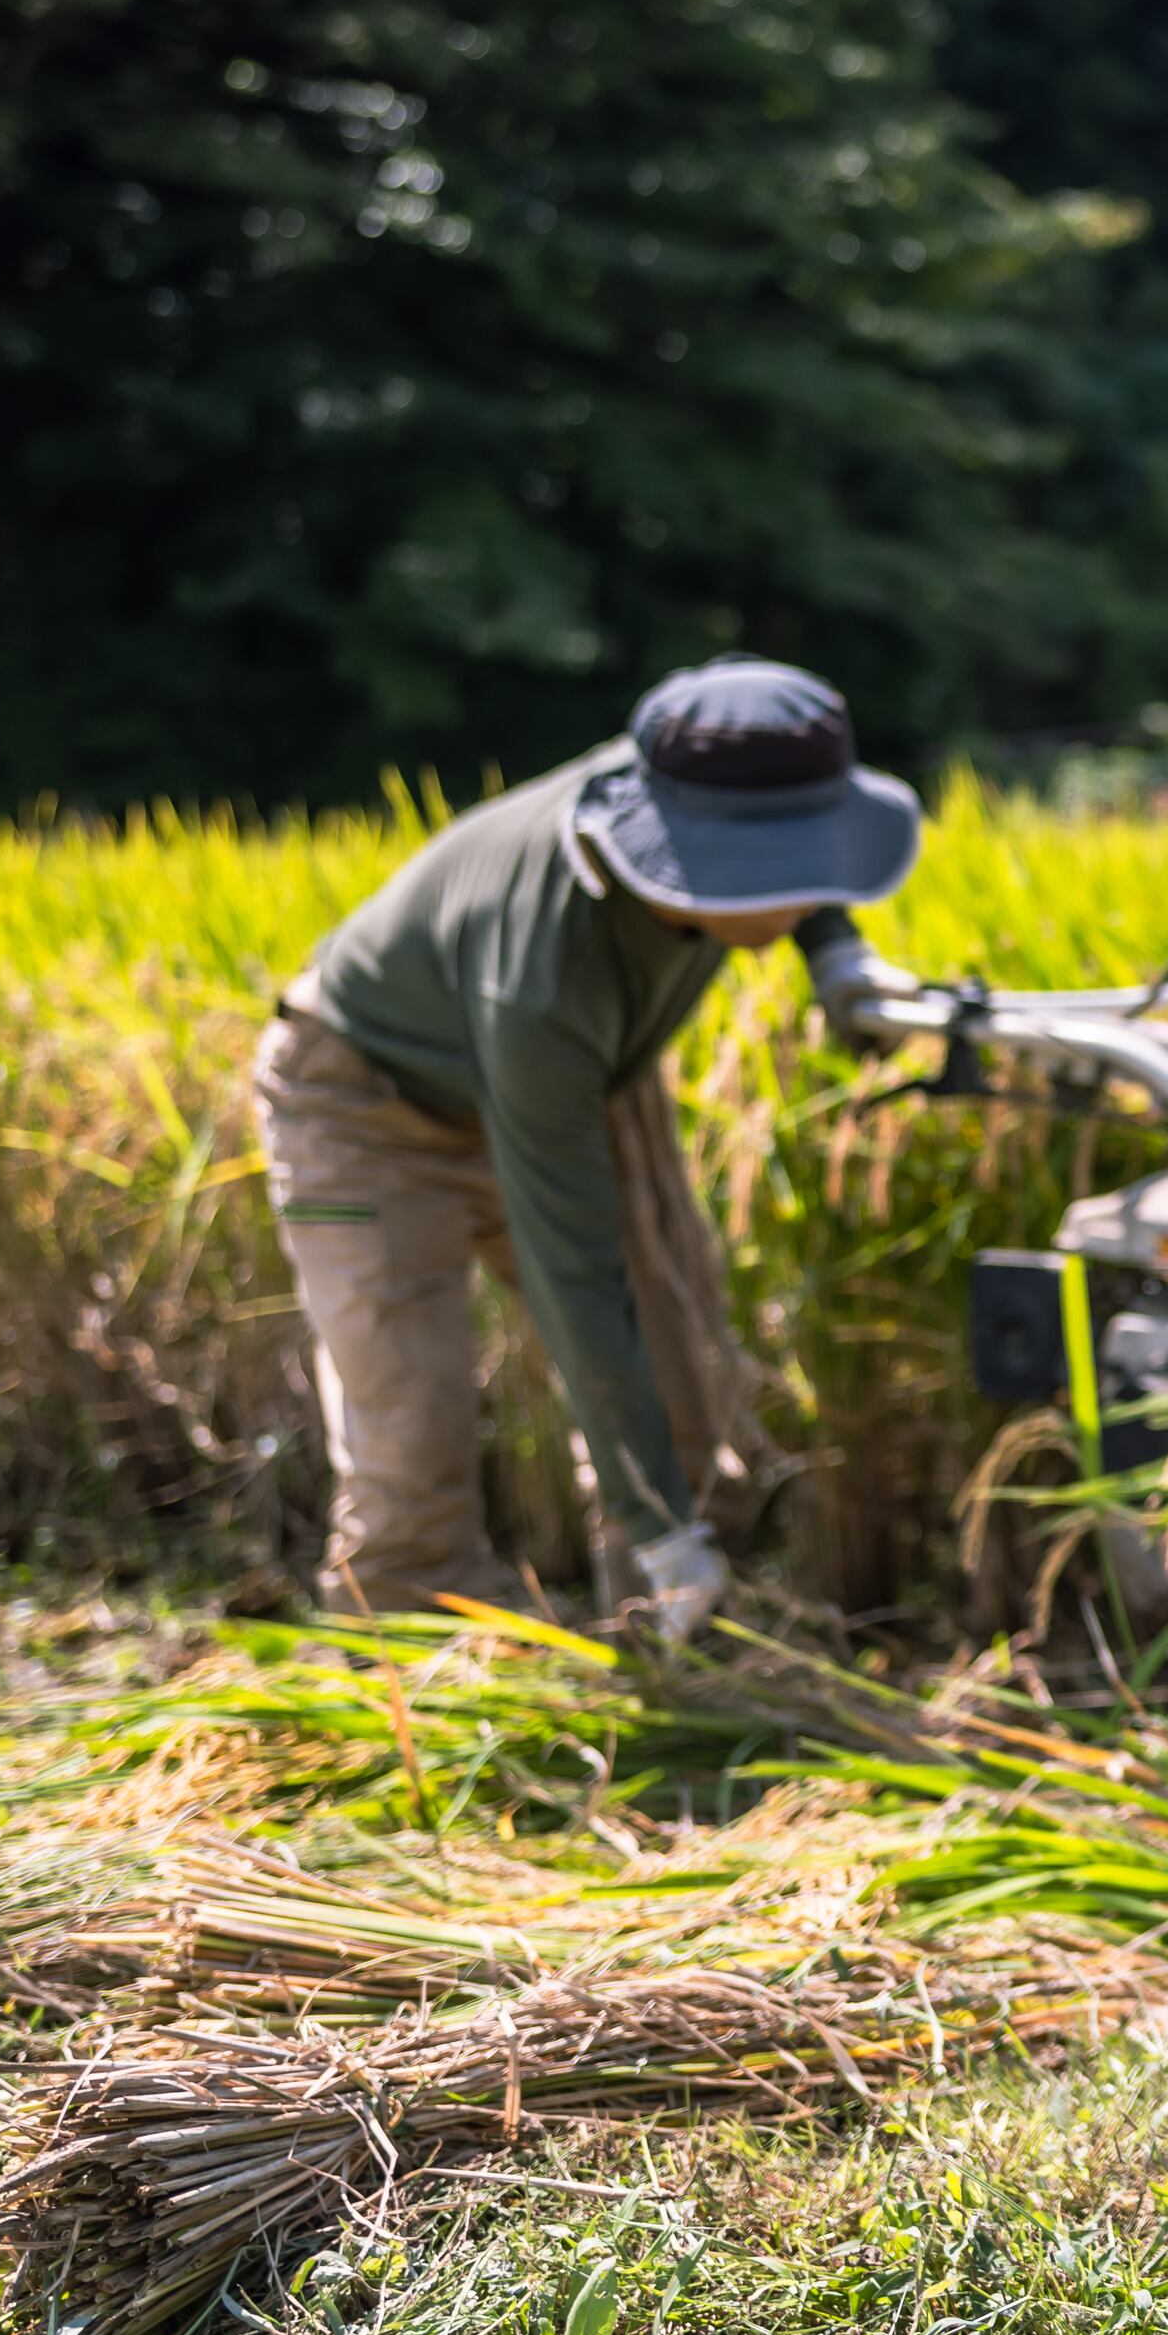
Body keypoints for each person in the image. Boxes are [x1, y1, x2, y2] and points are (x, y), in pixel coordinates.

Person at [253, 659, 922, 1631]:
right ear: (685, 857)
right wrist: (658, 1525)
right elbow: (576, 1272)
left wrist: (836, 950)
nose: (791, 900)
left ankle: (665, 1654)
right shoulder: (542, 976)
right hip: (360, 1109)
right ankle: (419, 1690)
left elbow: (781, 834)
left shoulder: (708, 779)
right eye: (771, 884)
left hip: (581, 1081)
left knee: (674, 1381)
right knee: (410, 1429)